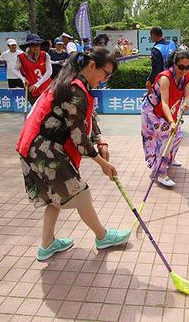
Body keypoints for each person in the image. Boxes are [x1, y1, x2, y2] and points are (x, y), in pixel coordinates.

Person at [16, 47, 130, 260]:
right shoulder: (75, 88)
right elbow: (78, 136)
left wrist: (100, 138)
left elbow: (86, 117)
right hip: (43, 149)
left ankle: (47, 245)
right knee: (79, 192)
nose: (105, 80)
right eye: (106, 74)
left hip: (35, 147)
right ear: (92, 65)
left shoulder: (77, 84)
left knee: (55, 199)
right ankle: (102, 236)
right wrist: (102, 163)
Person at [141, 50, 189, 187]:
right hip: (152, 112)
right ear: (174, 64)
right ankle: (160, 172)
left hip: (170, 109)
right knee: (165, 139)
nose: (184, 70)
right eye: (181, 67)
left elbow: (186, 95)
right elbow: (164, 102)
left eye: (188, 67)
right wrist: (171, 122)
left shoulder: (187, 77)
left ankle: (170, 159)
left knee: (178, 135)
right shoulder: (165, 78)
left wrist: (186, 103)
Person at [16, 34, 52, 104]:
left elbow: (49, 72)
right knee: (36, 108)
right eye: (32, 45)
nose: (35, 47)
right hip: (31, 87)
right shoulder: (21, 57)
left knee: (50, 107)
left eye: (37, 45)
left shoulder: (45, 55)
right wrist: (23, 79)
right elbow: (15, 69)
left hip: (46, 86)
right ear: (28, 46)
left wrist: (37, 84)